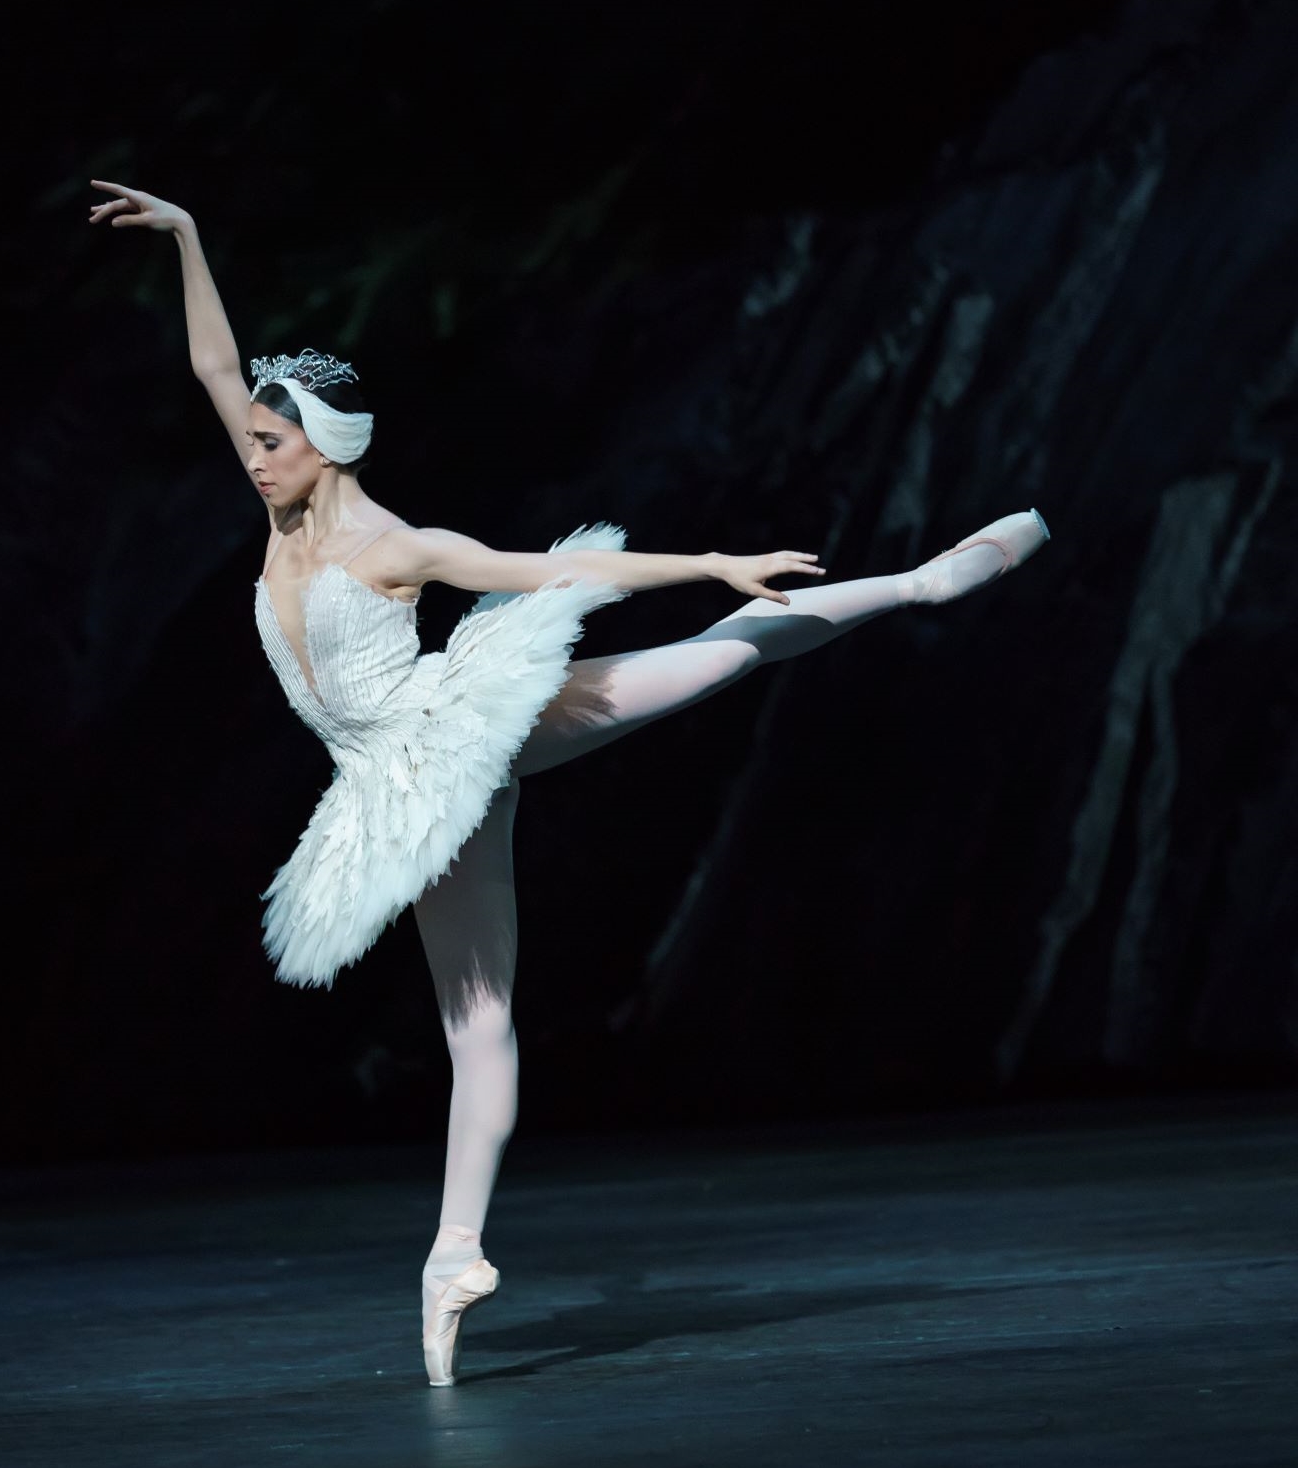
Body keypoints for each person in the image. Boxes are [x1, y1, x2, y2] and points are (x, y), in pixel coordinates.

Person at [89, 180, 1052, 1386]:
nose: (253, 457)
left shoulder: (391, 542)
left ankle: (918, 586)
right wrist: (185, 233)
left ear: (322, 449)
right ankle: (453, 1257)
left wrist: (710, 558)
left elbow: (539, 569)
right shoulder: (278, 516)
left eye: (271, 444)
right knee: (475, 1027)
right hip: (395, 797)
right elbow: (216, 368)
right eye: (251, 444)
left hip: (464, 725)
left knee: (708, 657)